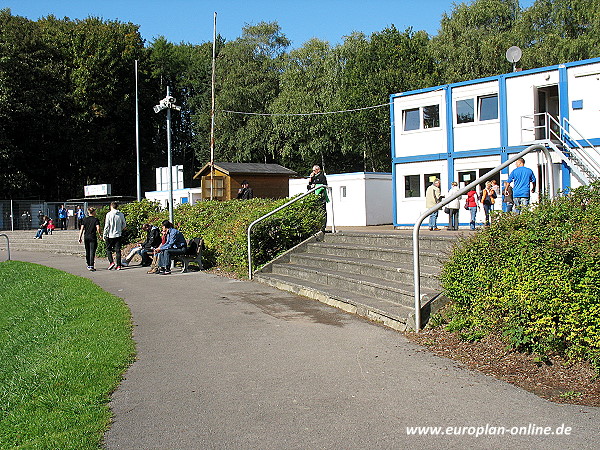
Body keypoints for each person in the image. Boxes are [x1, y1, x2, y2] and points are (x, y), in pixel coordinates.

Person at [102, 202, 127, 270]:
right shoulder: (121, 214)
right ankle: (118, 265)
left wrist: (104, 234)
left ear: (111, 206)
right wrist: (120, 229)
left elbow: (107, 225)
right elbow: (124, 224)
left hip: (110, 234)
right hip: (118, 234)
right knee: (118, 250)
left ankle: (111, 262)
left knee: (108, 249)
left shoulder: (109, 214)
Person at [307, 165, 328, 232]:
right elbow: (309, 185)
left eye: (314, 170)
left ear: (318, 170)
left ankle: (323, 227)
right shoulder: (313, 177)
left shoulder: (322, 176)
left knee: (322, 210)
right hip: (314, 196)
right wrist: (310, 178)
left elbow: (324, 185)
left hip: (321, 197)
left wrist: (315, 185)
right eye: (312, 170)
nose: (313, 172)